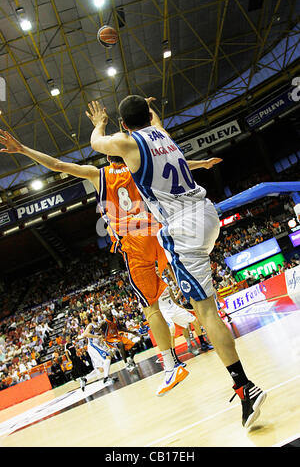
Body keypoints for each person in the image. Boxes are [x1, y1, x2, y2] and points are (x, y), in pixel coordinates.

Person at [86, 96, 267, 428]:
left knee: (206, 311)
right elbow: (155, 121)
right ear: (148, 116)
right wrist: (150, 109)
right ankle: (238, 383)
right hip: (206, 211)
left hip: (183, 229)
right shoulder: (163, 134)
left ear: (124, 125)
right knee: (198, 306)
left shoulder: (128, 143)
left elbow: (97, 142)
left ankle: (245, 389)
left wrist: (99, 121)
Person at [0, 125, 220, 397]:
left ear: (107, 156)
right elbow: (176, 163)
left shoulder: (97, 174)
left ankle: (172, 365)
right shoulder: (139, 166)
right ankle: (213, 325)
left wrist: (22, 149)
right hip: (158, 231)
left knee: (151, 307)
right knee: (187, 284)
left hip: (134, 241)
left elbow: (56, 164)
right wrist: (202, 163)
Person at [77, 314, 118, 391]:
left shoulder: (97, 326)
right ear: (91, 318)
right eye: (94, 316)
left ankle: (84, 379)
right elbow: (85, 334)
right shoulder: (90, 325)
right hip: (93, 346)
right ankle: (106, 379)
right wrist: (97, 337)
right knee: (107, 358)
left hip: (95, 347)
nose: (96, 316)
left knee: (101, 369)